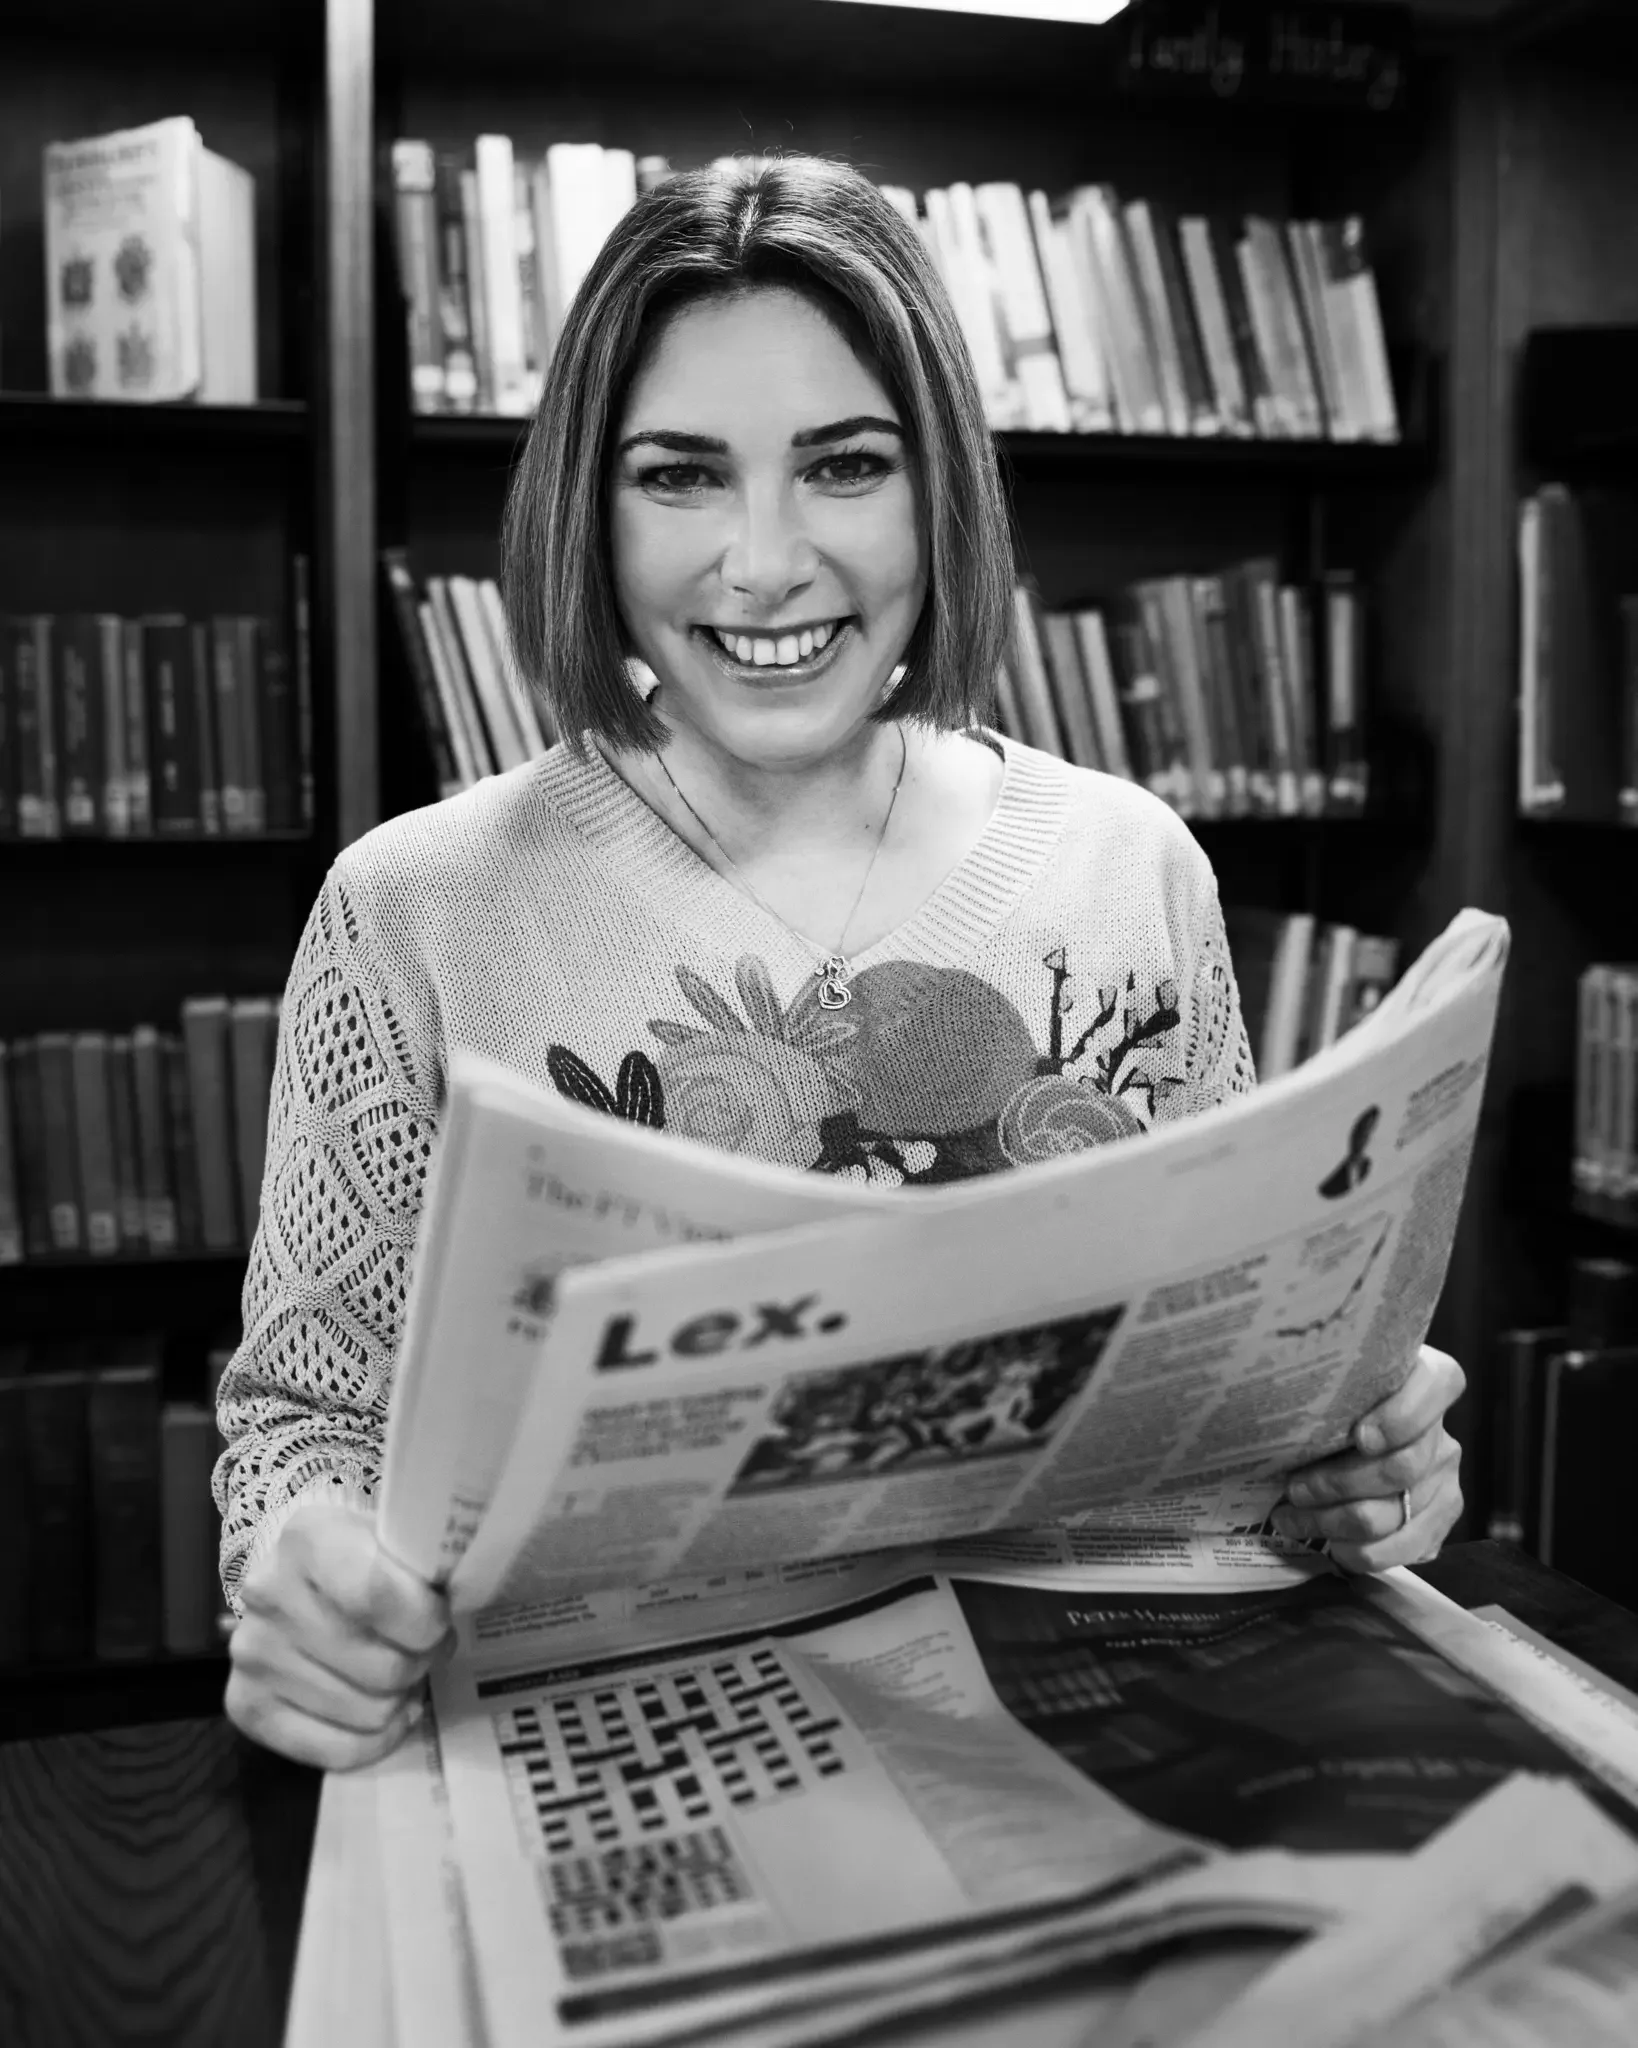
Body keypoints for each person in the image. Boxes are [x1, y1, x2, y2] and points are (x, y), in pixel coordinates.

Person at [218, 155, 1466, 1772]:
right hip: (629, 1752)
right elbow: (302, 1423)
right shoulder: (415, 907)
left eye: (842, 465)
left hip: (1088, 1746)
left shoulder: (1127, 862)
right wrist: (294, 1565)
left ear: (934, 486)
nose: (761, 563)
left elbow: (1218, 1403)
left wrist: (1352, 1454)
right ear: (586, 511)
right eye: (678, 476)